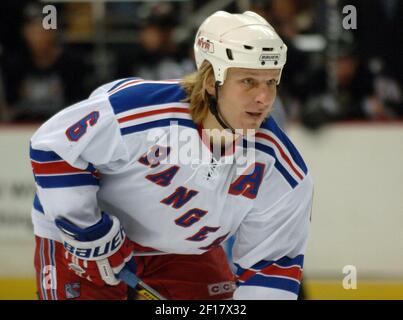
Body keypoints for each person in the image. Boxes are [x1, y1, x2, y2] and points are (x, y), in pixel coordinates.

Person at [30, 10, 313, 300]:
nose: (263, 98)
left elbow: (271, 269)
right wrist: (88, 232)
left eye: (271, 82)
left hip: (184, 254)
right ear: (209, 82)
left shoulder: (280, 169)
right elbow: (52, 148)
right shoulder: (137, 109)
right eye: (248, 82)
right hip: (84, 238)